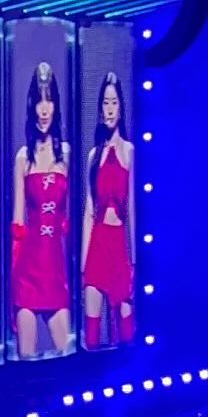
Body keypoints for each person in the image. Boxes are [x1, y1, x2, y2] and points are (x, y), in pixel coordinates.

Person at [11, 61, 71, 359]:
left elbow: (72, 218)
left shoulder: (67, 154)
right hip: (27, 269)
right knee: (26, 361)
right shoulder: (23, 157)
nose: (44, 109)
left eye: (49, 100)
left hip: (55, 269)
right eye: (39, 101)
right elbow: (17, 222)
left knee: (69, 356)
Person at [81, 71, 135, 348]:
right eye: (105, 103)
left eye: (114, 103)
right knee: (91, 334)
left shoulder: (129, 151)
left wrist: (134, 261)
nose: (110, 109)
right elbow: (89, 211)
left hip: (119, 247)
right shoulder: (94, 155)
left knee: (126, 332)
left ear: (121, 107)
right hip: (97, 245)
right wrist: (82, 265)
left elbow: (133, 212)